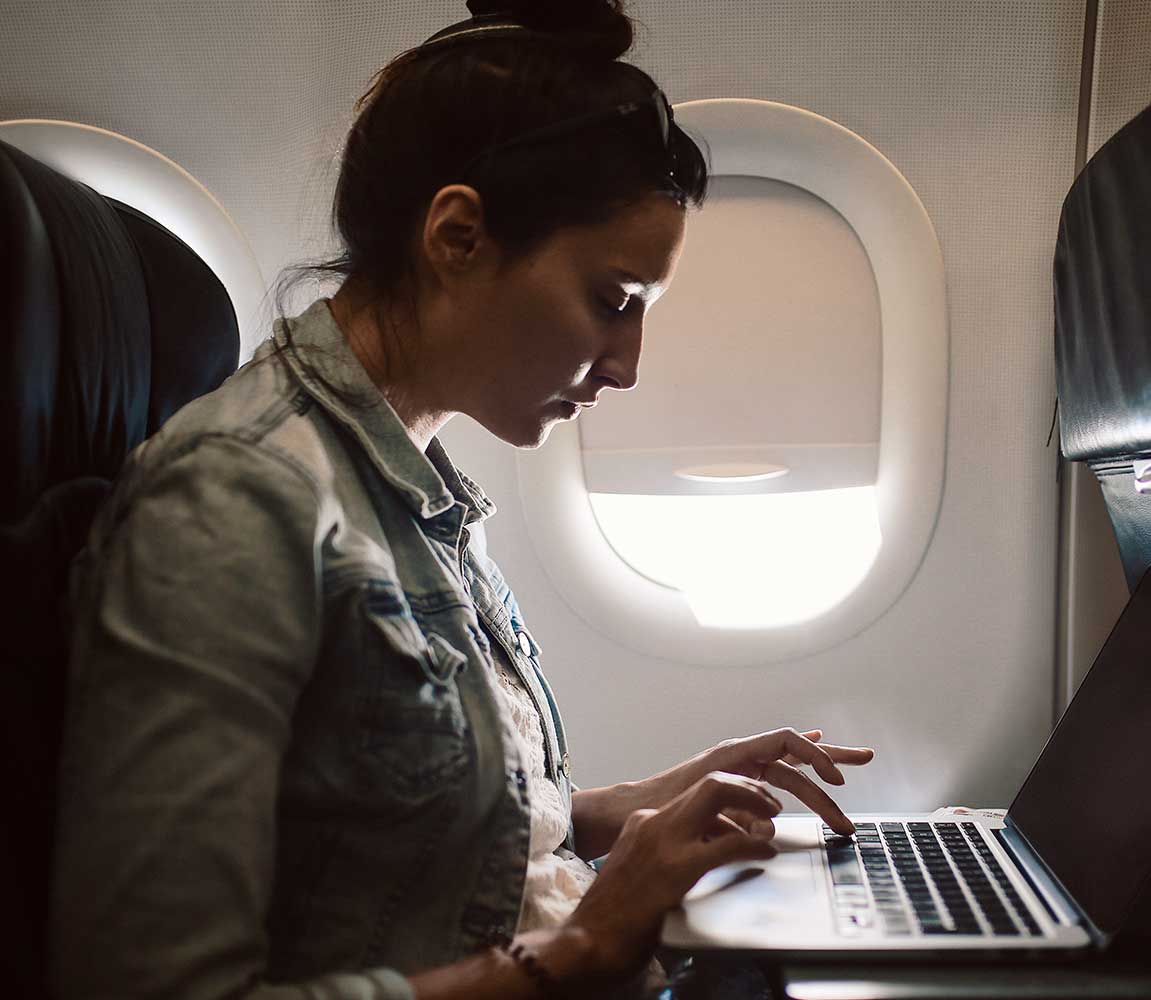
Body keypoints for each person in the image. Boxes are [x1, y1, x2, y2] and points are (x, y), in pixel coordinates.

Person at [48, 1, 875, 998]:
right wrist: (580, 948)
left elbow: (397, 825)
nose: (627, 367)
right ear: (458, 236)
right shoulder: (232, 505)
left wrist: (632, 809)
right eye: (613, 302)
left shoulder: (411, 480)